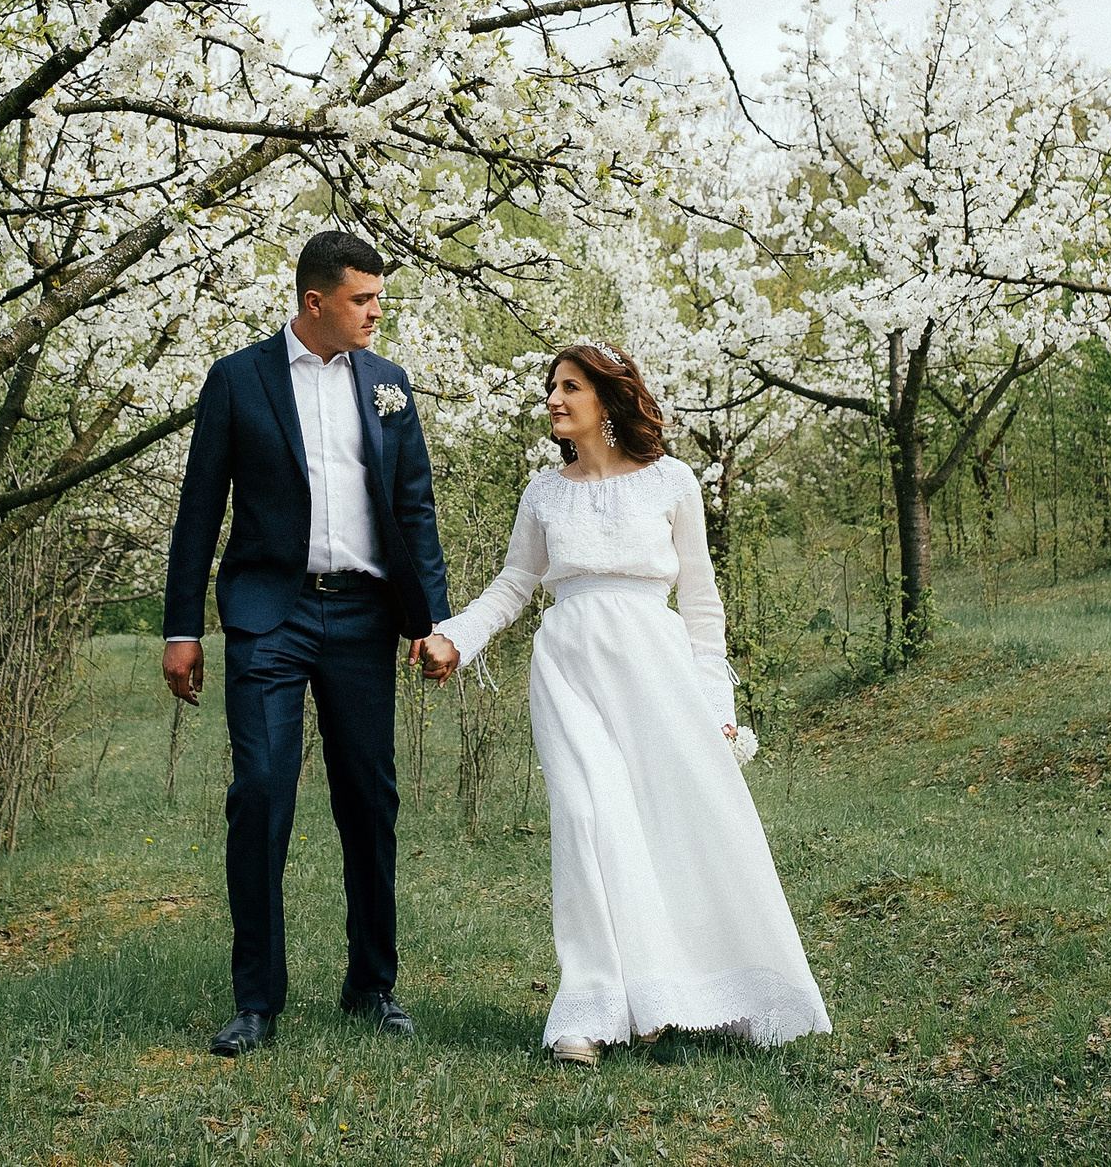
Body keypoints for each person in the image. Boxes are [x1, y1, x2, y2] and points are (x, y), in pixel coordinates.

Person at [413, 343, 831, 1064]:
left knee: (671, 824)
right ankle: (591, 1003)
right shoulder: (545, 492)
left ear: (606, 399)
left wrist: (714, 701)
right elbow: (516, 584)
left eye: (568, 385)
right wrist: (456, 638)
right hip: (568, 667)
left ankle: (688, 988)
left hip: (657, 669)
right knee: (583, 815)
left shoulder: (670, 482)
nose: (552, 397)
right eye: (550, 385)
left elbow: (701, 602)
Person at [163, 230, 449, 1057]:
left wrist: (431, 620)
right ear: (315, 302)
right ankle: (256, 999)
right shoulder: (237, 380)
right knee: (260, 790)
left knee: (370, 798)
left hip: (362, 616)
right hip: (268, 614)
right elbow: (197, 511)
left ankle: (373, 984)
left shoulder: (389, 384)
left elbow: (416, 506)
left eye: (378, 299)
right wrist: (183, 629)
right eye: (363, 300)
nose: (375, 313)